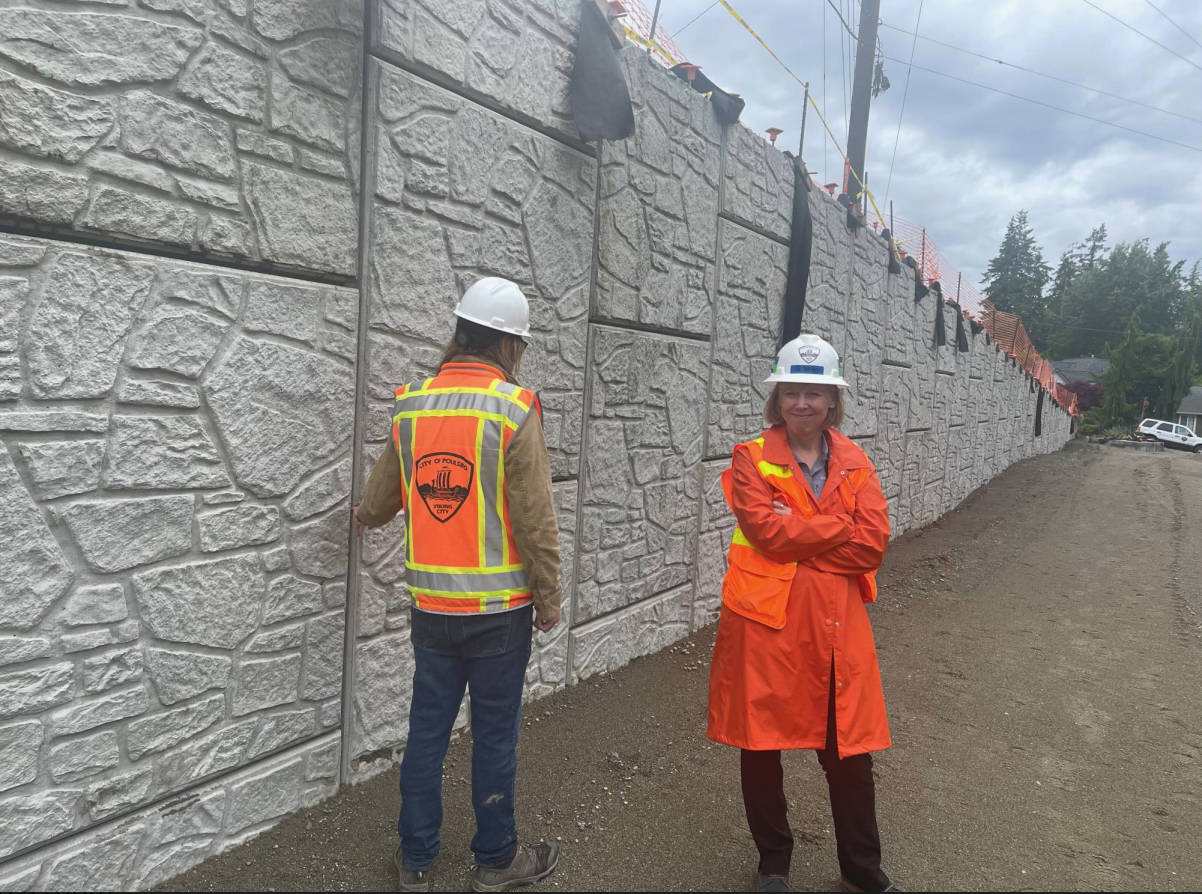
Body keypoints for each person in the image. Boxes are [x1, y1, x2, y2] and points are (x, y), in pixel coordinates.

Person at [353, 276, 562, 894]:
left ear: (459, 332)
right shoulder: (514, 406)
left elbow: (380, 499)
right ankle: (496, 862)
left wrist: (362, 517)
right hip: (499, 613)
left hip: (432, 611)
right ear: (510, 344)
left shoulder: (413, 404)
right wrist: (548, 595)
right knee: (494, 737)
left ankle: (415, 860)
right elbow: (534, 518)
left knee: (426, 733)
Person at [706, 333, 899, 894]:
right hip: (766, 627)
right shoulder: (751, 457)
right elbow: (765, 531)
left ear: (833, 401)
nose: (803, 404)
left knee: (849, 755)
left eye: (815, 393)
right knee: (761, 749)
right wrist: (840, 526)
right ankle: (773, 864)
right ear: (778, 399)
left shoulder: (857, 462)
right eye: (792, 392)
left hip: (837, 631)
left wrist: (802, 535)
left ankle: (861, 869)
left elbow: (873, 545)